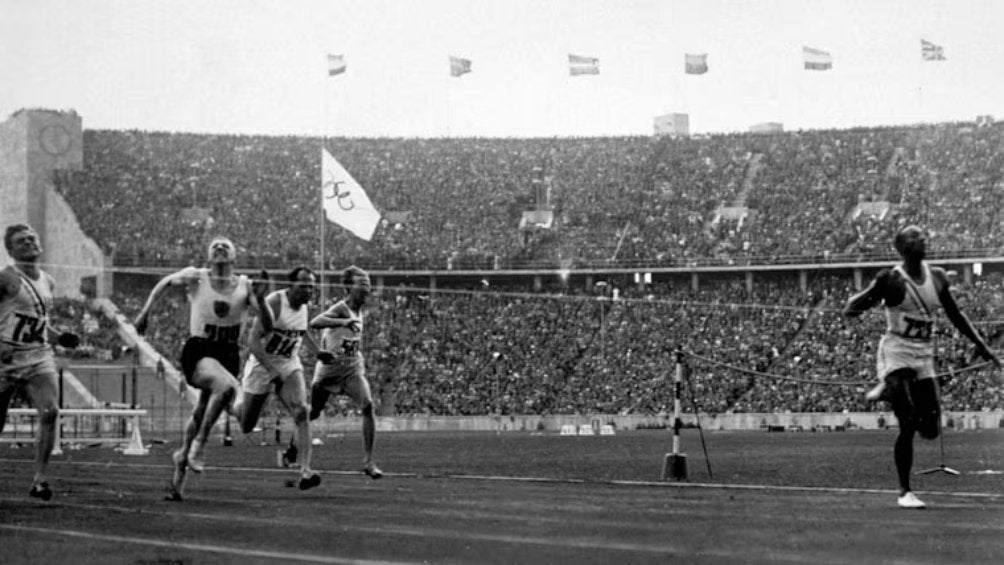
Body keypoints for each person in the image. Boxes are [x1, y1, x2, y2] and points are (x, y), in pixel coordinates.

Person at [844, 225, 1000, 509]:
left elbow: (955, 314)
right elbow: (850, 310)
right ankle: (905, 491)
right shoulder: (892, 280)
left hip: (923, 356)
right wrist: (874, 288)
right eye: (914, 237)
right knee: (907, 421)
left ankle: (888, 389)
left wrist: (981, 344)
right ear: (901, 247)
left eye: (923, 235)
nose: (922, 239)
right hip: (896, 352)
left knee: (929, 429)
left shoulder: (937, 277)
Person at [134, 237, 264, 501]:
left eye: (226, 245)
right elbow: (164, 283)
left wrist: (260, 296)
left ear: (235, 257)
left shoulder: (244, 285)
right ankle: (198, 448)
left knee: (203, 408)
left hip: (228, 354)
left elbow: (264, 316)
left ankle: (178, 476)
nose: (219, 247)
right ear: (208, 256)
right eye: (215, 245)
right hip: (200, 350)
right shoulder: (197, 277)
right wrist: (145, 312)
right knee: (227, 387)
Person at [233, 266, 331, 490]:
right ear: (291, 285)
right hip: (261, 364)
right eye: (304, 285)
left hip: (288, 362)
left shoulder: (304, 306)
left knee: (302, 410)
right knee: (246, 424)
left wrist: (318, 352)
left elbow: (301, 331)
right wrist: (270, 370)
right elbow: (254, 341)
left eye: (311, 286)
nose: (308, 290)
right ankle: (234, 401)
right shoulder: (275, 302)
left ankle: (306, 471)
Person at [0, 223, 79, 501]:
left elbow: (38, 322)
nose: (30, 243)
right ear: (11, 250)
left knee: (50, 412)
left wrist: (60, 338)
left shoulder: (48, 281)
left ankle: (40, 479)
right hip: (5, 358)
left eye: (32, 238)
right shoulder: (6, 278)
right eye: (22, 241)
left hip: (37, 356)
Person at [309, 265, 382, 479]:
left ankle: (369, 462)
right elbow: (315, 322)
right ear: (349, 287)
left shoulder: (361, 310)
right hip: (329, 371)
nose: (367, 289)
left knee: (368, 405)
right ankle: (294, 447)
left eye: (368, 285)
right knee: (313, 412)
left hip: (352, 369)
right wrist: (343, 322)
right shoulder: (342, 308)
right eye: (362, 284)